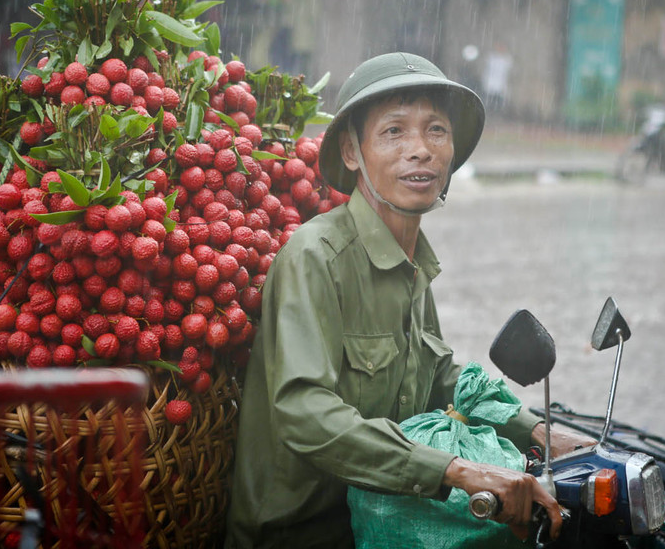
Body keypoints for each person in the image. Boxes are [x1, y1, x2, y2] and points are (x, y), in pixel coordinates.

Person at [225, 52, 592, 548]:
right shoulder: (316, 257)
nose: (420, 150)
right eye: (393, 131)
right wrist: (454, 470)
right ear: (352, 152)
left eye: (436, 130)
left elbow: (438, 375)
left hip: (386, 522)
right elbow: (305, 412)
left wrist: (537, 431)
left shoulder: (413, 259)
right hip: (306, 534)